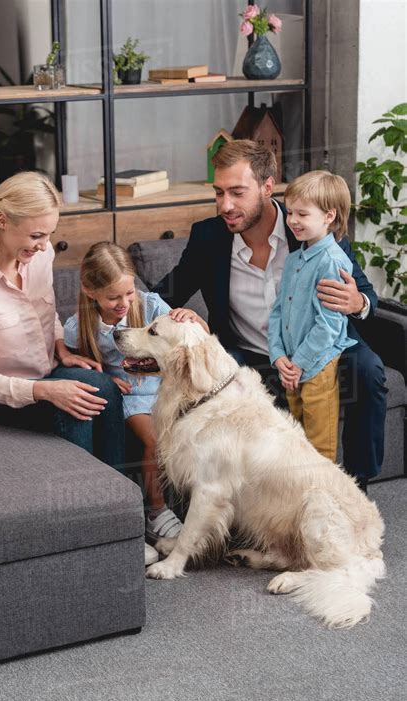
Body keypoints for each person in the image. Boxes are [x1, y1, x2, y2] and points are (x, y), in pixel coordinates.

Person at [152, 140, 387, 492]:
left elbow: (368, 297)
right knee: (212, 383)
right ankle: (226, 499)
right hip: (247, 354)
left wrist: (357, 303)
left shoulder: (311, 229)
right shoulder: (209, 237)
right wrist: (185, 324)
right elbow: (164, 295)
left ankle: (356, 484)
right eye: (218, 193)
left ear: (267, 187)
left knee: (367, 370)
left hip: (321, 347)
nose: (225, 205)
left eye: (237, 192)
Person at [0, 171, 125, 470]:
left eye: (49, 234)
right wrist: (45, 391)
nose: (43, 245)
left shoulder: (40, 255)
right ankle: (84, 509)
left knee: (104, 388)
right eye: (36, 235)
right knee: (75, 409)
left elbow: (46, 312)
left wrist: (61, 348)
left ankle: (125, 500)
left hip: (44, 374)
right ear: (2, 221)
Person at [63, 242, 209, 562]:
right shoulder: (80, 326)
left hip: (162, 388)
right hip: (130, 396)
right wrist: (103, 377)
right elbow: (68, 359)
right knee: (156, 439)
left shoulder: (150, 305)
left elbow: (197, 339)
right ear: (91, 292)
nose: (124, 303)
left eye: (128, 293)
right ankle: (156, 512)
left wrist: (195, 319)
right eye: (114, 297)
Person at [268, 171, 358, 462]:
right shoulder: (295, 259)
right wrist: (278, 355)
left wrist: (298, 364)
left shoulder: (332, 262)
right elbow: (278, 311)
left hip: (317, 365)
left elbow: (329, 325)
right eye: (290, 212)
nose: (292, 220)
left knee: (320, 447)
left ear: (329, 216)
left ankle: (327, 499)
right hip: (292, 366)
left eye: (302, 214)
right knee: (298, 440)